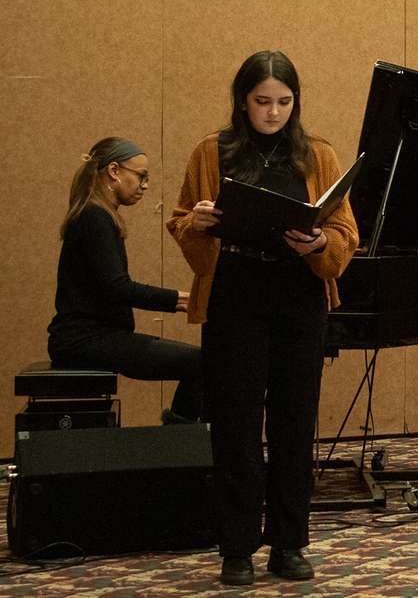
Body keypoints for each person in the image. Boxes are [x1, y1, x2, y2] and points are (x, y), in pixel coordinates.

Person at [167, 50, 358, 586]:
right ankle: (236, 548)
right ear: (242, 101)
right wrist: (199, 223)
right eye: (262, 102)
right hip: (234, 296)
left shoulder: (317, 152)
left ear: (295, 103)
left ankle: (290, 543)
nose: (273, 113)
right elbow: (183, 219)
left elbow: (345, 231)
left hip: (298, 295)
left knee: (296, 425)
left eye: (283, 102)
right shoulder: (213, 150)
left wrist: (320, 242)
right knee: (236, 427)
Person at [48, 137, 203, 423]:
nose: (145, 185)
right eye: (141, 176)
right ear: (114, 171)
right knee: (204, 364)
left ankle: (179, 446)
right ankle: (176, 449)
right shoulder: (94, 218)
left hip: (89, 338)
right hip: (86, 341)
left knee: (202, 363)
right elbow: (117, 287)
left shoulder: (96, 215)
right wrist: (183, 300)